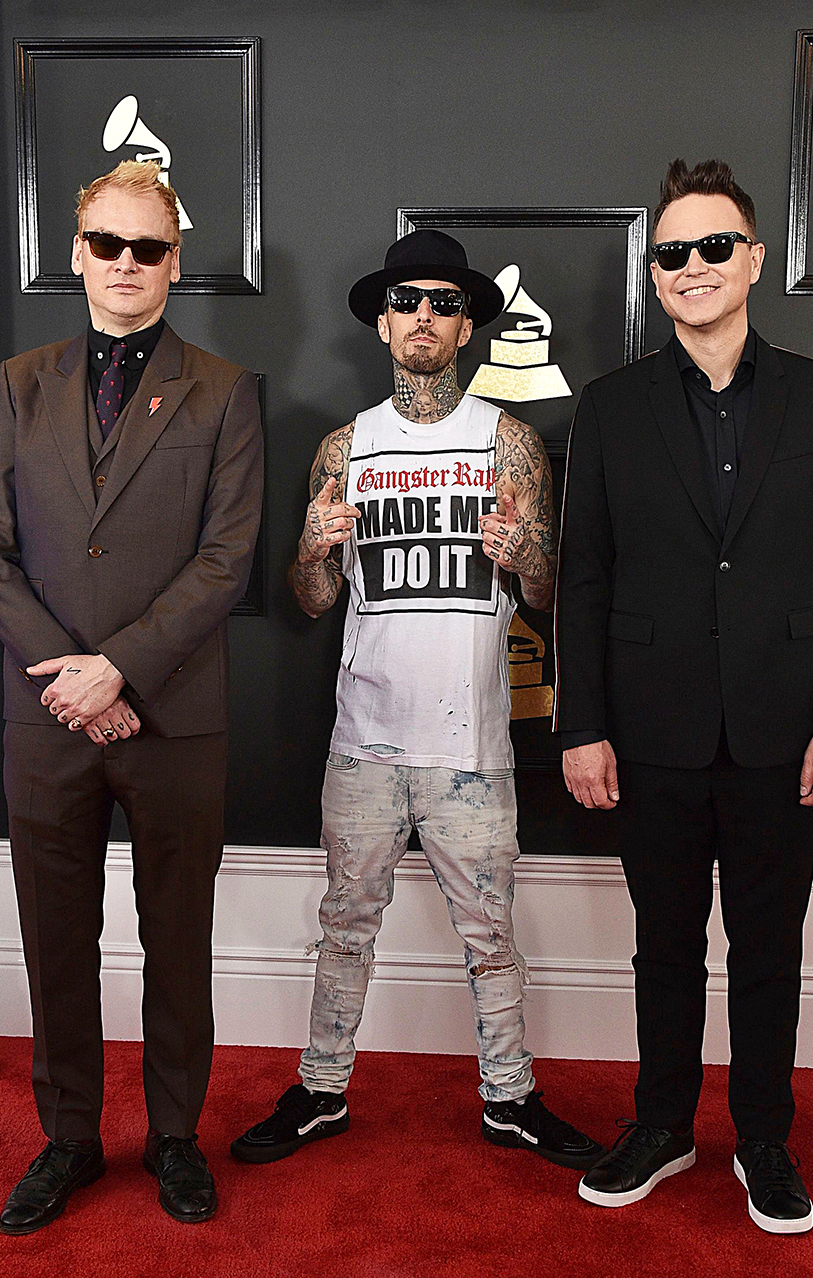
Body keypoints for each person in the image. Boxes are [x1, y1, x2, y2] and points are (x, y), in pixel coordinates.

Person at [231, 229, 603, 1171]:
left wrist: (528, 561)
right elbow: (312, 604)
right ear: (384, 323)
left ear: (468, 323)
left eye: (442, 301)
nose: (424, 316)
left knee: (492, 937)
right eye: (407, 302)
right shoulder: (344, 448)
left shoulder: (507, 442)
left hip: (470, 744)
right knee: (344, 926)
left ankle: (510, 1098)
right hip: (363, 739)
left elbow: (551, 595)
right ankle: (322, 1090)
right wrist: (312, 551)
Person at [555, 159, 813, 1233]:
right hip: (647, 730)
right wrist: (582, 725)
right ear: (655, 275)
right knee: (663, 943)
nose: (691, 267)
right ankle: (660, 1122)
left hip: (788, 730)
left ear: (750, 259)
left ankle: (763, 1136)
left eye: (711, 247)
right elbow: (584, 575)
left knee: (768, 947)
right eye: (671, 253)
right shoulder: (606, 409)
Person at [0, 161, 263, 1232]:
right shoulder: (19, 381)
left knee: (176, 936)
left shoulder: (225, 390)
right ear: (77, 253)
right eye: (108, 244)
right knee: (56, 938)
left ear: (175, 261)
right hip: (44, 719)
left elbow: (226, 563)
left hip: (175, 720)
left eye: (149, 248)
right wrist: (77, 683)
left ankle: (176, 1136)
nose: (126, 265)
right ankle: (71, 1140)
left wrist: (120, 670)